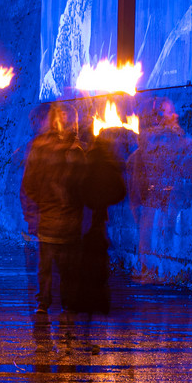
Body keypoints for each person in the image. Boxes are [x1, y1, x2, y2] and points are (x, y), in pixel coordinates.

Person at [21, 104, 85, 315]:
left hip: (48, 219)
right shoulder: (75, 150)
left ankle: (44, 301)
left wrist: (33, 214)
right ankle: (67, 302)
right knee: (66, 266)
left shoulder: (39, 147)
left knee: (46, 265)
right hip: (68, 220)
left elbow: (29, 185)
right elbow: (83, 185)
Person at [67, 125, 128, 316]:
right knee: (97, 258)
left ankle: (81, 300)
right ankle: (97, 300)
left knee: (82, 257)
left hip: (85, 216)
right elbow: (120, 191)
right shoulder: (109, 162)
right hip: (98, 217)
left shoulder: (86, 161)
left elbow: (75, 186)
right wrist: (103, 201)